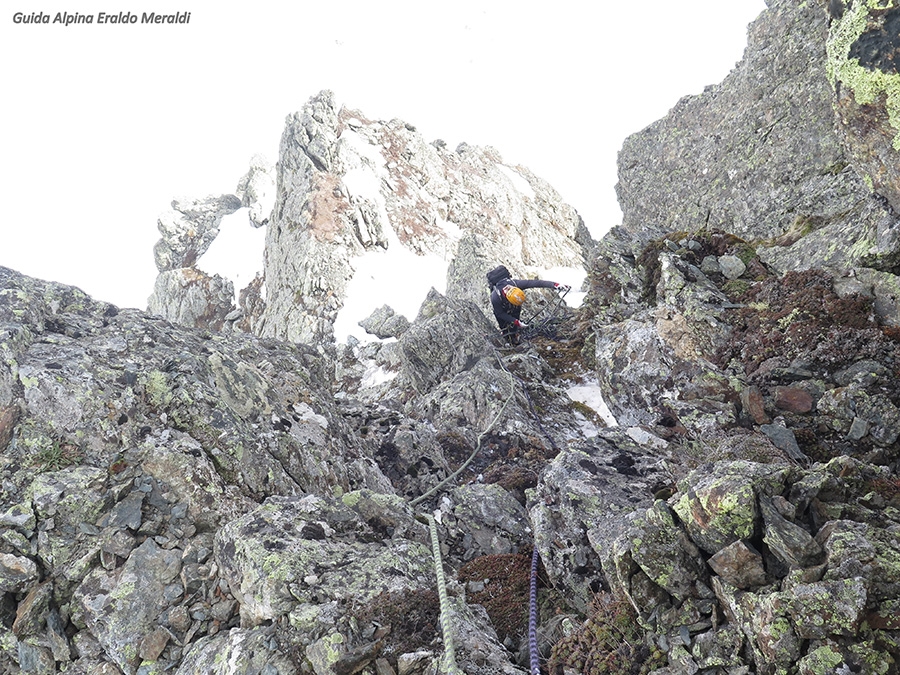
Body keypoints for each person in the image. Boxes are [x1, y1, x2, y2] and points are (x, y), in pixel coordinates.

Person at [486, 265, 570, 344]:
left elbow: (536, 283)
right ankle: (506, 336)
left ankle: (515, 335)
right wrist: (515, 322)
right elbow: (499, 313)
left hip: (515, 305)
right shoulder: (495, 297)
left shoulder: (516, 284)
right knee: (503, 323)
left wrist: (555, 285)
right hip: (501, 308)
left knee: (515, 313)